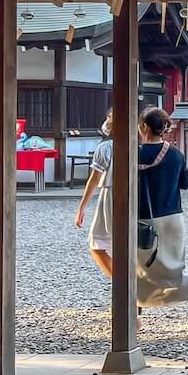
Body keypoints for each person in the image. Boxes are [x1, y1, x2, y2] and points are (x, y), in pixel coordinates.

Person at [137, 107, 188, 335]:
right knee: (176, 265)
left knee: (139, 266)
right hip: (172, 217)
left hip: (143, 218)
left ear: (144, 127)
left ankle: (134, 319)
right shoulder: (177, 154)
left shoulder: (134, 154)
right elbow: (184, 184)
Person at [74, 110, 115, 280]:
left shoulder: (105, 147)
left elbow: (94, 179)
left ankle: (122, 283)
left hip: (110, 196)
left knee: (98, 244)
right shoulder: (138, 145)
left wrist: (82, 207)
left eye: (109, 117)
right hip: (138, 196)